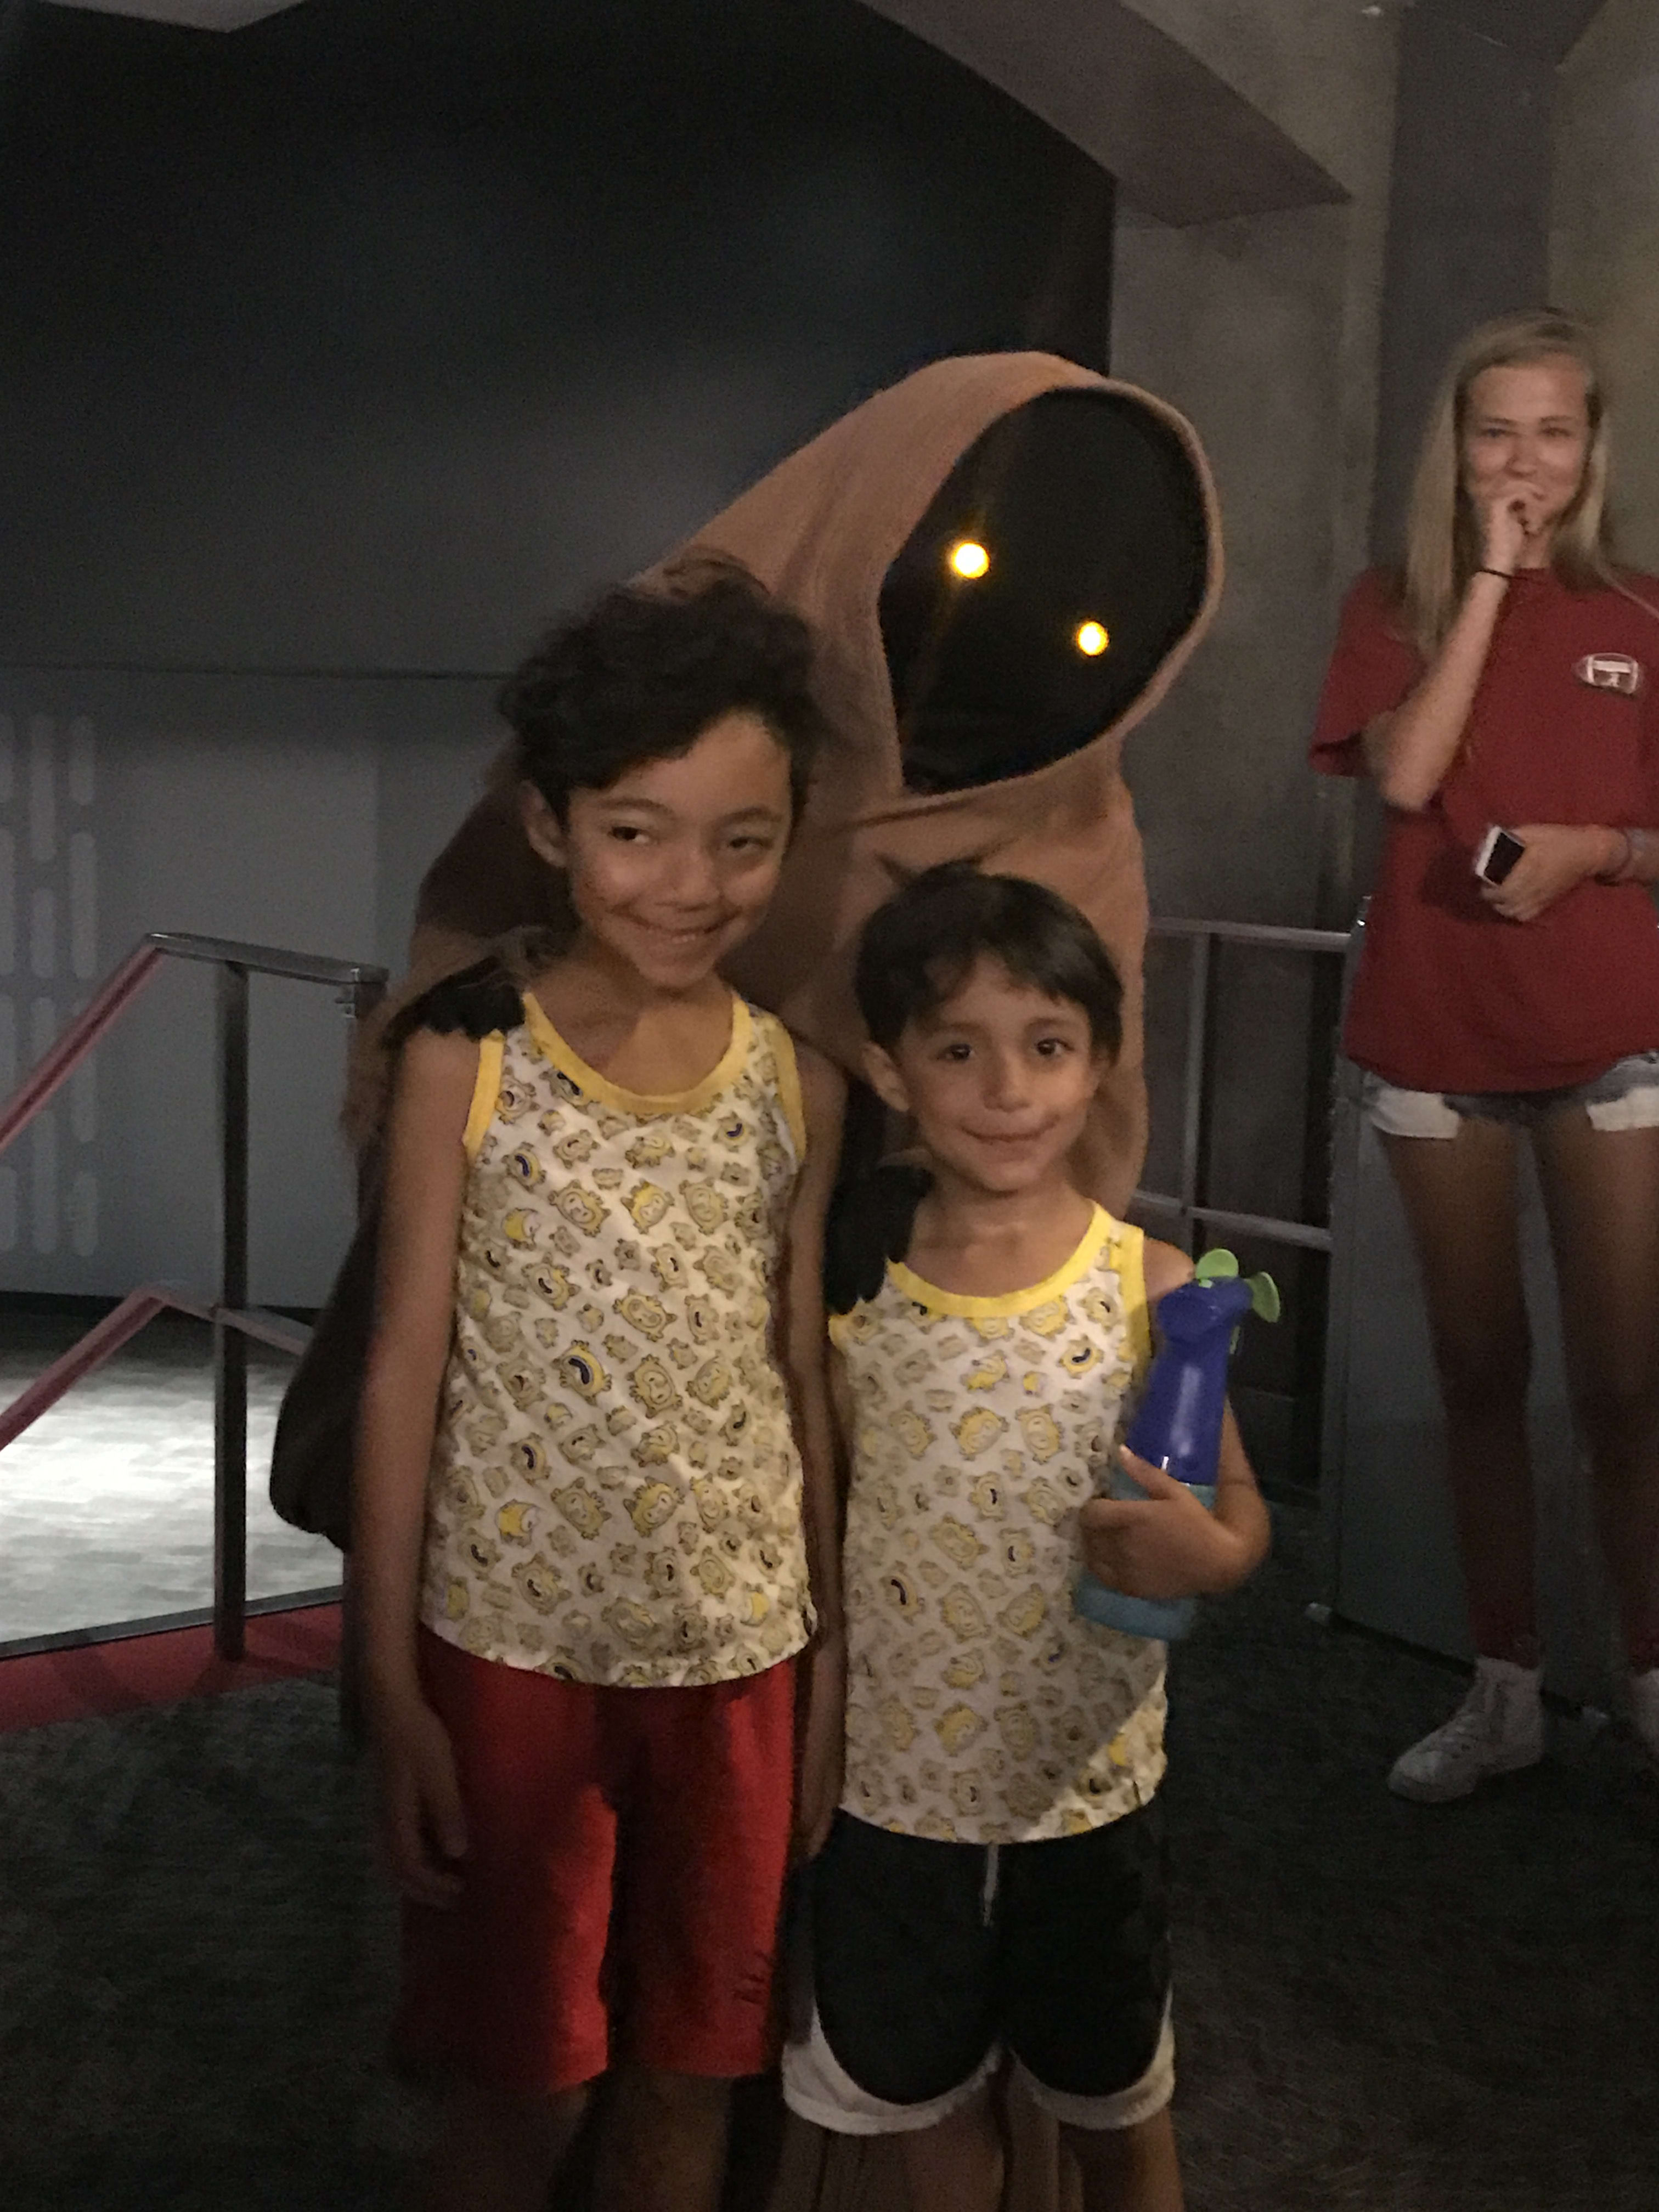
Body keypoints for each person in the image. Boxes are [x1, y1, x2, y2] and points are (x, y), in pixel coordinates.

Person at [351, 563, 847, 2212]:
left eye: (743, 840)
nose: (690, 885)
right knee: (521, 2089)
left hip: (741, 1652)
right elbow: (406, 1364)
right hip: (510, 1645)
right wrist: (388, 1680)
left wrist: (831, 1667)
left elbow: (797, 1374)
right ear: (552, 825)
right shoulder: (465, 1055)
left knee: (692, 2077)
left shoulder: (799, 1082)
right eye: (639, 831)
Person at [781, 864, 1270, 2212]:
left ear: (1099, 1063)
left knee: (1119, 2105)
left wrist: (1215, 1557)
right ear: (891, 1070)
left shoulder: (1152, 1287)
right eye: (960, 1051)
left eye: (1048, 1046)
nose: (1008, 1089)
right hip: (897, 1797)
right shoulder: (854, 1295)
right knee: (923, 2107)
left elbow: (1237, 1511)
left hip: (1090, 1792)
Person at [1312, 309, 1659, 1800]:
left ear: (1594, 451)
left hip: (1611, 1037)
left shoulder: (1644, 615)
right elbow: (1404, 773)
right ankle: (1504, 1687)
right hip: (1435, 1037)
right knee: (1477, 1371)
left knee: (1626, 1382)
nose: (1526, 459)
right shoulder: (1392, 603)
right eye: (1496, 430)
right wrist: (1493, 583)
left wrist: (1599, 852)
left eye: (1554, 432)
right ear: (1454, 449)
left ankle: (1648, 1677)